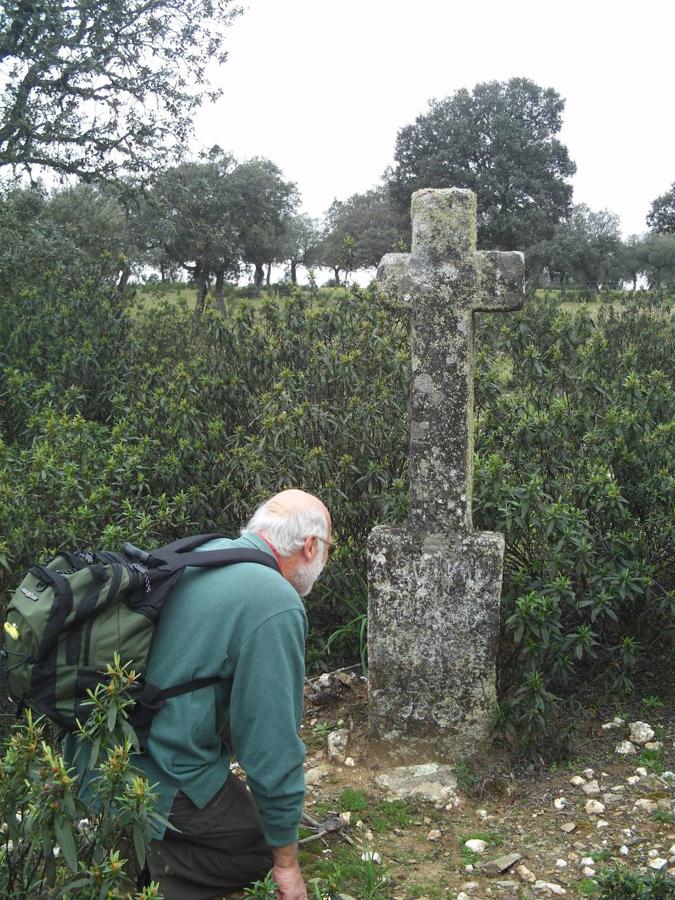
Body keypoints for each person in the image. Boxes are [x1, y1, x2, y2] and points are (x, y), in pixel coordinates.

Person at [134, 488, 333, 899]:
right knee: (259, 847)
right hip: (164, 774)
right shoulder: (274, 601)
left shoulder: (207, 550)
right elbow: (270, 746)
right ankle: (143, 866)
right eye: (328, 549)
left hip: (106, 751)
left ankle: (128, 834)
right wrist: (287, 864)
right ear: (311, 546)